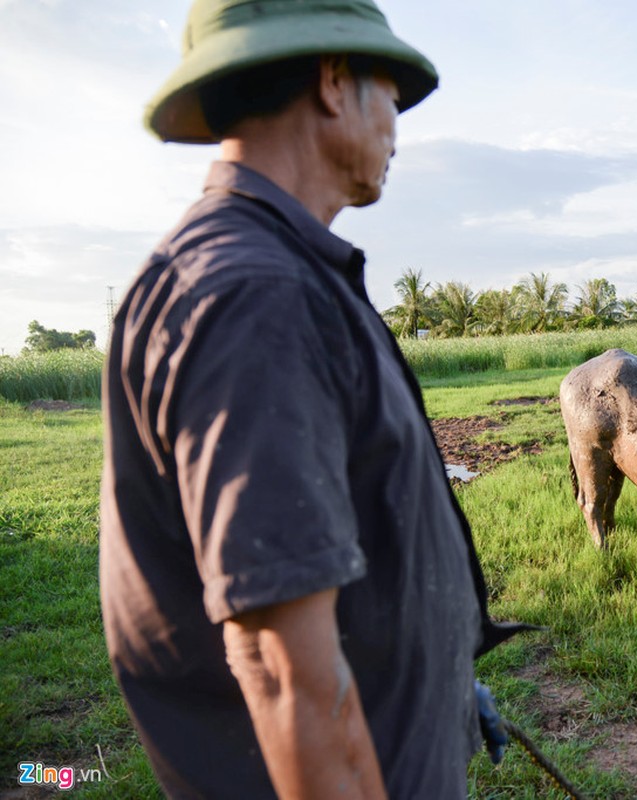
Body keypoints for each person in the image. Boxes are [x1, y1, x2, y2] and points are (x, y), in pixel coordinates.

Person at [99, 1, 524, 796]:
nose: (398, 125)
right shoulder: (257, 296)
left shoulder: (269, 270)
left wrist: (435, 679)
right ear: (334, 81)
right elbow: (280, 668)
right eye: (392, 94)